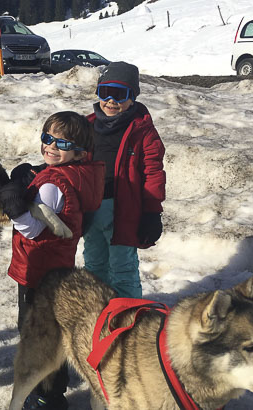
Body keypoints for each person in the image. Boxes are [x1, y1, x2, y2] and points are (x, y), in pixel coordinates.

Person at [0, 111, 104, 410]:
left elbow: (33, 230)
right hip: (59, 267)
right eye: (47, 138)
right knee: (53, 330)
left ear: (79, 152)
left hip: (38, 269)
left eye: (61, 143)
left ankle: (45, 396)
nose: (50, 146)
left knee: (37, 334)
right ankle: (52, 388)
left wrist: (15, 207)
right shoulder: (77, 173)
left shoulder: (53, 184)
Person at [83, 61, 166, 298]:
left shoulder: (143, 131)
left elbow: (153, 174)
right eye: (105, 93)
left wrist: (152, 212)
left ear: (133, 98)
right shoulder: (87, 126)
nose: (111, 101)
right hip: (92, 208)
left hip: (124, 211)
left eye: (119, 95)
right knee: (94, 263)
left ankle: (128, 314)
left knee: (122, 267)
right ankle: (97, 311)